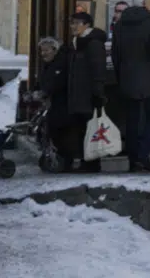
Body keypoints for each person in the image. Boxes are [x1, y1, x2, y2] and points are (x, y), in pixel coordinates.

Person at [111, 0, 150, 173]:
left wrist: (121, 75)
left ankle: (133, 159)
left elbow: (115, 55)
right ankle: (143, 155)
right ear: (144, 4)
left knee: (132, 120)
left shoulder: (120, 25)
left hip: (128, 79)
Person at [67, 11, 109, 172]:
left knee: (90, 128)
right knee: (81, 128)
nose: (73, 26)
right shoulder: (77, 42)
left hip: (88, 94)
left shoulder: (93, 43)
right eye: (72, 23)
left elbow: (98, 70)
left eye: (77, 23)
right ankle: (85, 160)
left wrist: (98, 93)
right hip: (78, 94)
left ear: (87, 25)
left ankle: (92, 162)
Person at [36, 36, 78, 170]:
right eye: (42, 51)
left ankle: (65, 161)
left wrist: (44, 92)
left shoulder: (60, 64)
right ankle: (57, 158)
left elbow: (57, 83)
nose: (43, 54)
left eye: (46, 50)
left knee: (61, 133)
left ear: (54, 50)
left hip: (63, 104)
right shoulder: (48, 65)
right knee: (52, 132)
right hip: (53, 104)